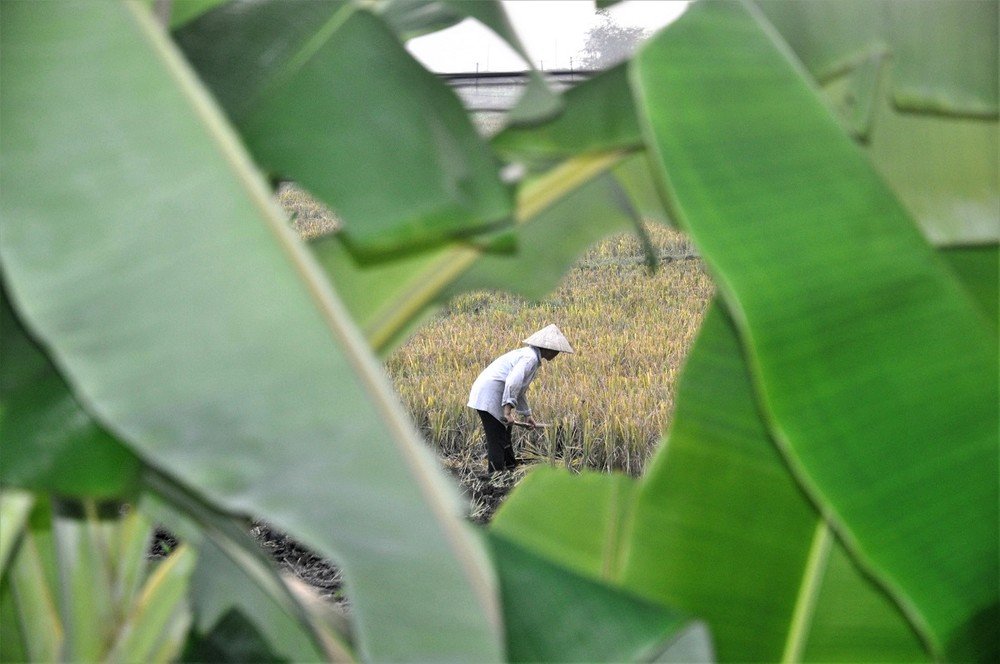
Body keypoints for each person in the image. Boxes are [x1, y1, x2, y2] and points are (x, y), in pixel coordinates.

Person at [467, 324, 575, 472]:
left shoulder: (531, 358)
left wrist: (527, 415)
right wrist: (507, 411)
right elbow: (512, 382)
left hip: (490, 393)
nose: (557, 354)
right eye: (556, 351)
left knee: (504, 434)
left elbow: (520, 390)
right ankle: (495, 476)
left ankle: (510, 468)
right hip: (488, 395)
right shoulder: (529, 358)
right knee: (497, 437)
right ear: (548, 349)